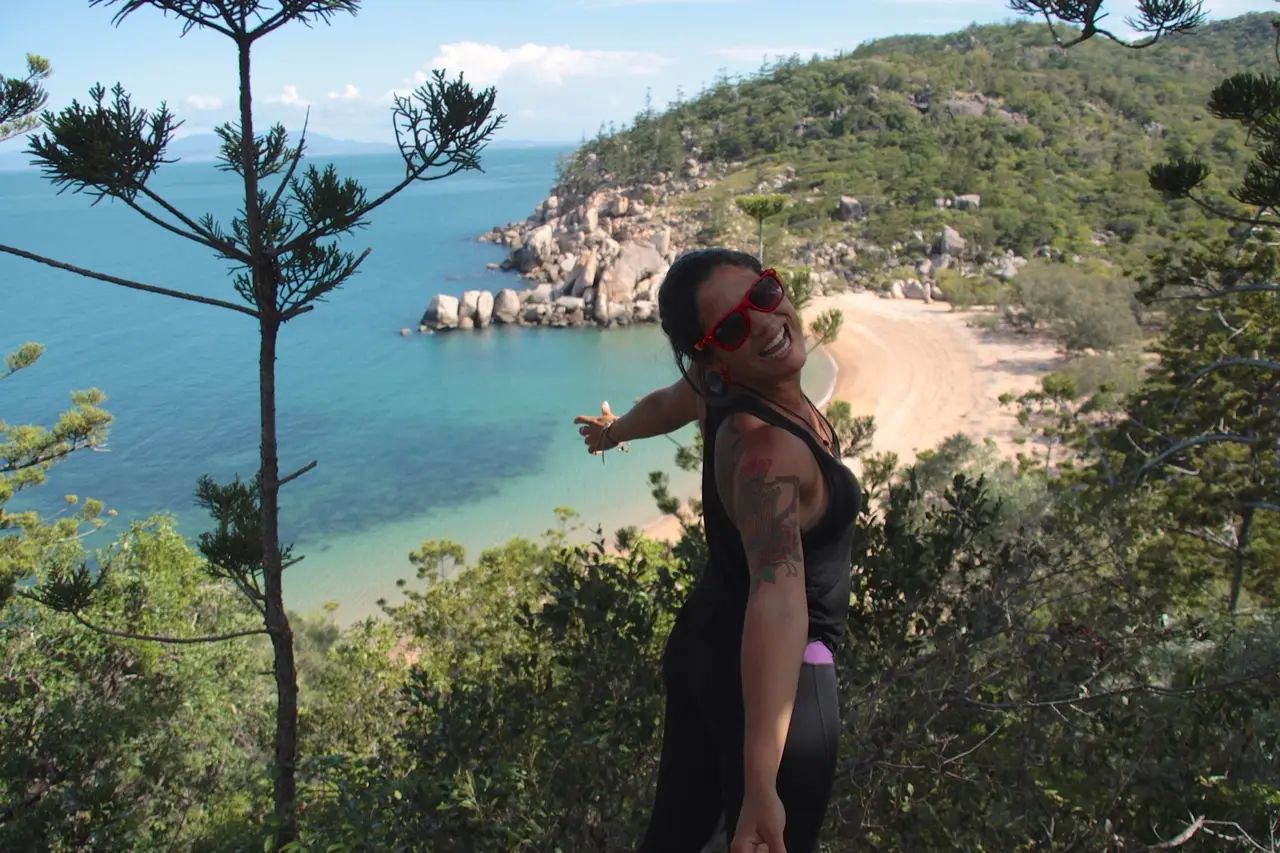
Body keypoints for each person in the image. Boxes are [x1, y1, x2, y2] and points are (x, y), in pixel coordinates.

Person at [572, 248, 863, 853]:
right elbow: (778, 600)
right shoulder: (769, 455)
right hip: (777, 683)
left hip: (702, 646)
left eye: (761, 293)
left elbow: (663, 405)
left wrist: (612, 432)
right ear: (712, 356)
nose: (761, 320)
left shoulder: (717, 389)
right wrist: (762, 782)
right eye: (731, 326)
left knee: (674, 838)